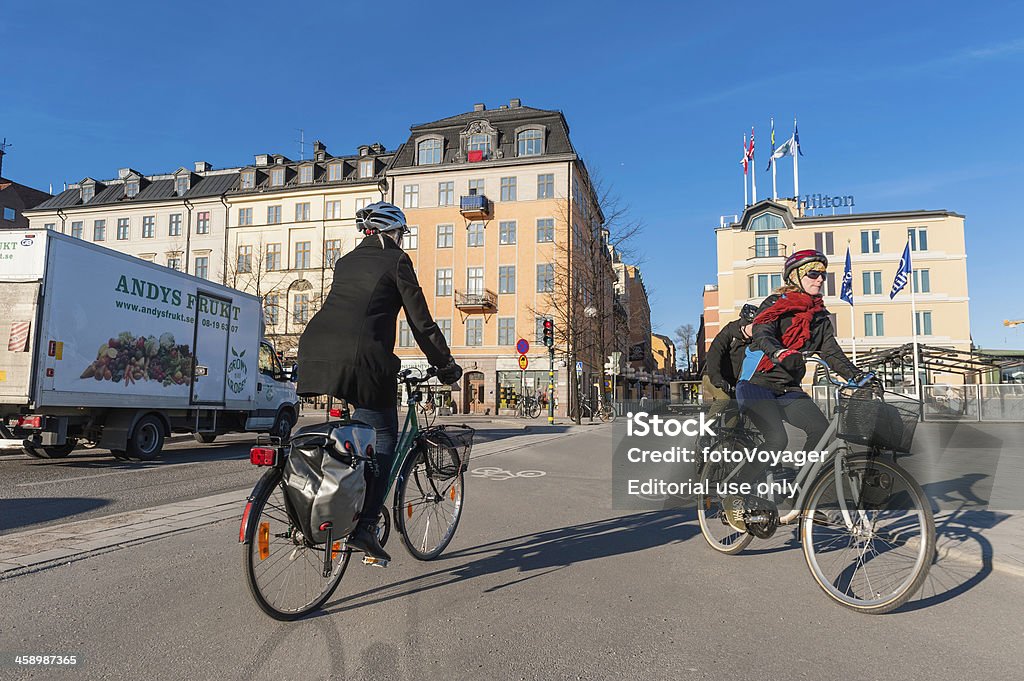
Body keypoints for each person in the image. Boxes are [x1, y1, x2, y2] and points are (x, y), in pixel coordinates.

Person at [296, 201, 462, 562]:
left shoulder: (345, 261)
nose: (403, 240)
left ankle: (340, 504)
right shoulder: (397, 261)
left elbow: (351, 311)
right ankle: (366, 524)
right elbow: (422, 323)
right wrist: (446, 365)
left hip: (314, 350)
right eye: (401, 234)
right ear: (393, 232)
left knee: (355, 437)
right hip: (362, 360)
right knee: (385, 433)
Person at [735, 249, 870, 484]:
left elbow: (831, 352)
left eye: (823, 275)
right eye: (813, 273)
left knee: (821, 432)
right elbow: (762, 330)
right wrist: (779, 351)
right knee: (777, 439)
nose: (820, 279)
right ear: (795, 276)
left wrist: (858, 376)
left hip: (788, 387)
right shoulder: (776, 304)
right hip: (757, 383)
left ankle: (802, 489)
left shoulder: (819, 317)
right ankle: (736, 489)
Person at [702, 303, 758, 424]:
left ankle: (728, 440)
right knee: (724, 399)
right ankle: (705, 429)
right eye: (754, 326)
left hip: (733, 383)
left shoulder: (754, 341)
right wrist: (717, 378)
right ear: (744, 324)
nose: (757, 330)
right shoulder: (729, 332)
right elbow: (713, 354)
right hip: (713, 376)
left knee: (735, 411)